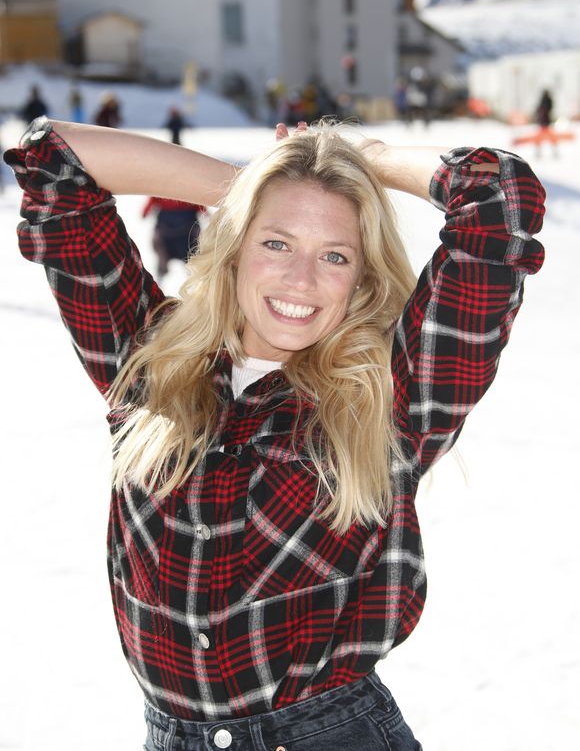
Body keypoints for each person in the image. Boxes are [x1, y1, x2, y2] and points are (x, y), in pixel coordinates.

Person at [6, 116, 545, 750]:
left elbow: (499, 198)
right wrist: (262, 186)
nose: (301, 279)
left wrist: (365, 160)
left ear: (362, 281)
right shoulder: (150, 360)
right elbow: (58, 164)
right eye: (276, 243)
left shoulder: (391, 398)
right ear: (234, 247)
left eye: (335, 255)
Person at [142, 195, 204, 278]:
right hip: (180, 235)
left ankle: (161, 272)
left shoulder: (160, 188)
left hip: (174, 234)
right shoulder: (191, 188)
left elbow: (144, 214)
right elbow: (203, 210)